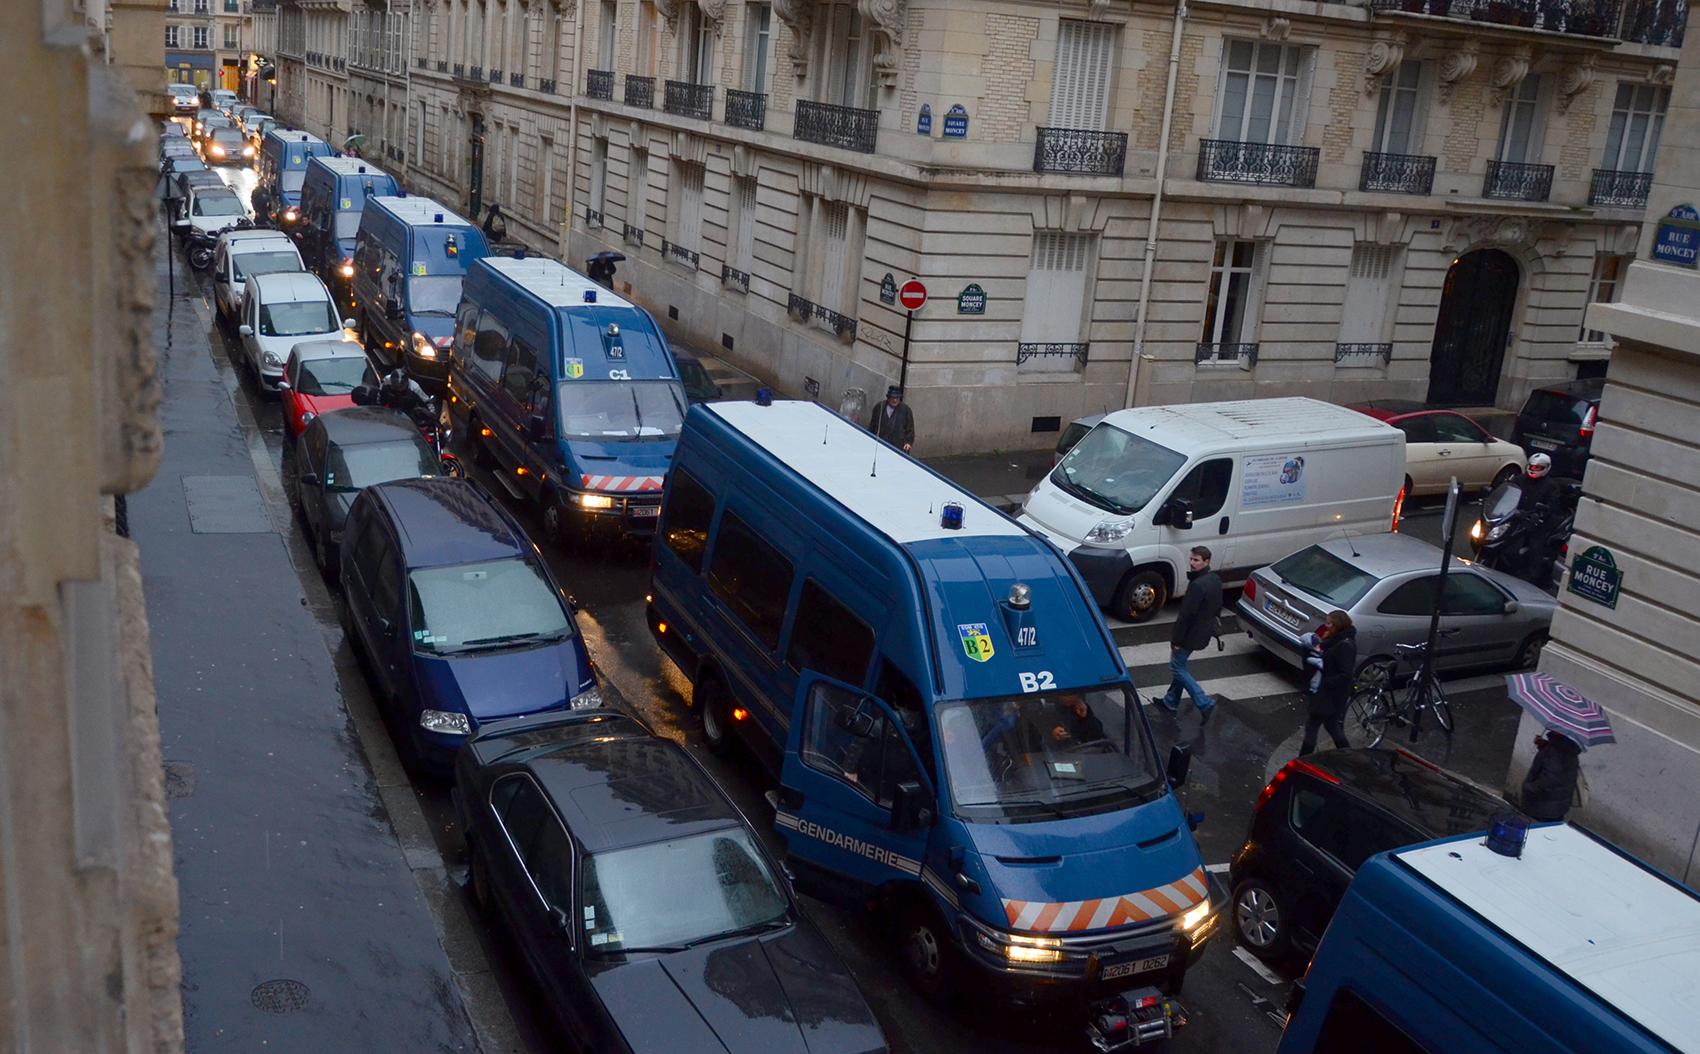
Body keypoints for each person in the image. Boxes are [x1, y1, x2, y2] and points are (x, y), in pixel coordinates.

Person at [1155, 547, 1223, 723]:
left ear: (1207, 562)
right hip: (1202, 633)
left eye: (1197, 560)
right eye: (1192, 559)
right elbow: (1217, 607)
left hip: (1189, 636)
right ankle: (1170, 701)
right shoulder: (1214, 579)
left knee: (1177, 668)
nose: (1192, 563)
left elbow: (1185, 616)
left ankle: (1204, 702)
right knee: (1180, 666)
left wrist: (1176, 641)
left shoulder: (1197, 585)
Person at [1299, 610, 1357, 754]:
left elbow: (1345, 674)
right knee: (1331, 726)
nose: (1326, 626)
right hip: (1331, 694)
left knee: (1313, 725)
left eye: (1329, 623)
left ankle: (1303, 759)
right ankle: (1347, 755)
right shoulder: (1337, 640)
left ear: (1338, 625)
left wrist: (1326, 683)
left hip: (1329, 694)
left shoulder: (1344, 646)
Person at [1520, 730, 1582, 821]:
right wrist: (1544, 745)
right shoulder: (1569, 749)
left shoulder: (1556, 752)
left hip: (1541, 808)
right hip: (1557, 808)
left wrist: (1527, 787)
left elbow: (1548, 780)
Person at [868, 385, 915, 452]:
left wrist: (908, 442)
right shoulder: (879, 407)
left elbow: (910, 429)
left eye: (897, 398)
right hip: (880, 444)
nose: (895, 400)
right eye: (893, 397)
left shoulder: (906, 410)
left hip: (897, 446)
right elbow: (872, 425)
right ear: (888, 397)